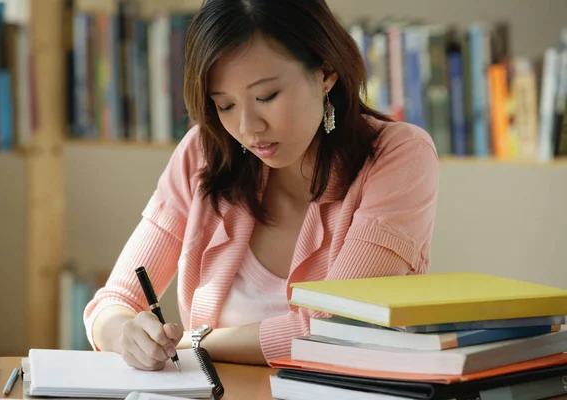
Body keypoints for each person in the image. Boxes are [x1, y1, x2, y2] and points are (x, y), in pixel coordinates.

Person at [83, 0, 439, 370]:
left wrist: (196, 343)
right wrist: (126, 334)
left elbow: (338, 327)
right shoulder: (204, 152)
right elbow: (113, 302)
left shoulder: (399, 155)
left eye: (266, 97)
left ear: (326, 72)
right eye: (225, 106)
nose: (248, 128)